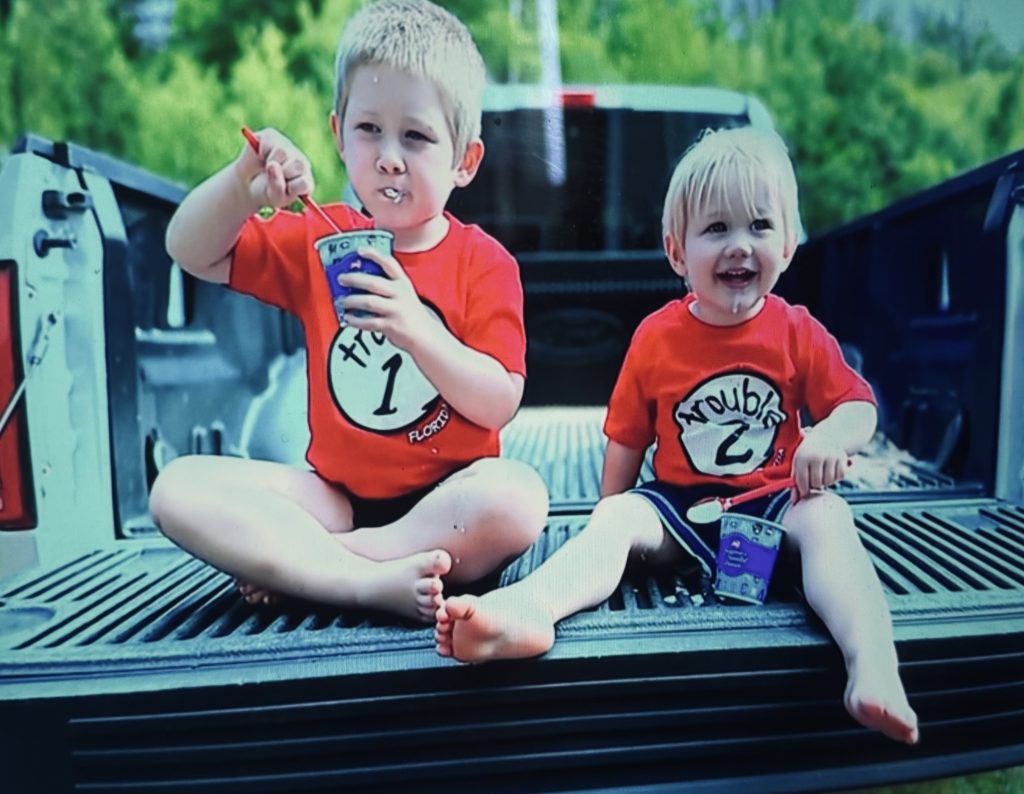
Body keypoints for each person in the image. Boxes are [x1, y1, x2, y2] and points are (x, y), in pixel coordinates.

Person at [436, 126, 919, 745]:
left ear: (788, 243)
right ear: (676, 252)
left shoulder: (797, 331)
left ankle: (871, 663)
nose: (739, 245)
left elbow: (859, 408)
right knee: (616, 520)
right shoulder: (657, 339)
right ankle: (529, 610)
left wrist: (829, 438)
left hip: (777, 505)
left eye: (759, 226)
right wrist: (609, 517)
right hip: (679, 507)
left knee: (831, 520)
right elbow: (626, 439)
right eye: (716, 229)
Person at [149, 0, 548, 624]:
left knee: (520, 498)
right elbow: (190, 250)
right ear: (338, 135)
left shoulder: (483, 263)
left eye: (416, 136)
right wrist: (243, 186)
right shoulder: (322, 239)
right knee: (176, 488)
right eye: (369, 129)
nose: (389, 157)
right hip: (333, 501)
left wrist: (416, 328)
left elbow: (498, 402)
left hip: (449, 505)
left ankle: (316, 567)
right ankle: (363, 582)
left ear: (464, 161)